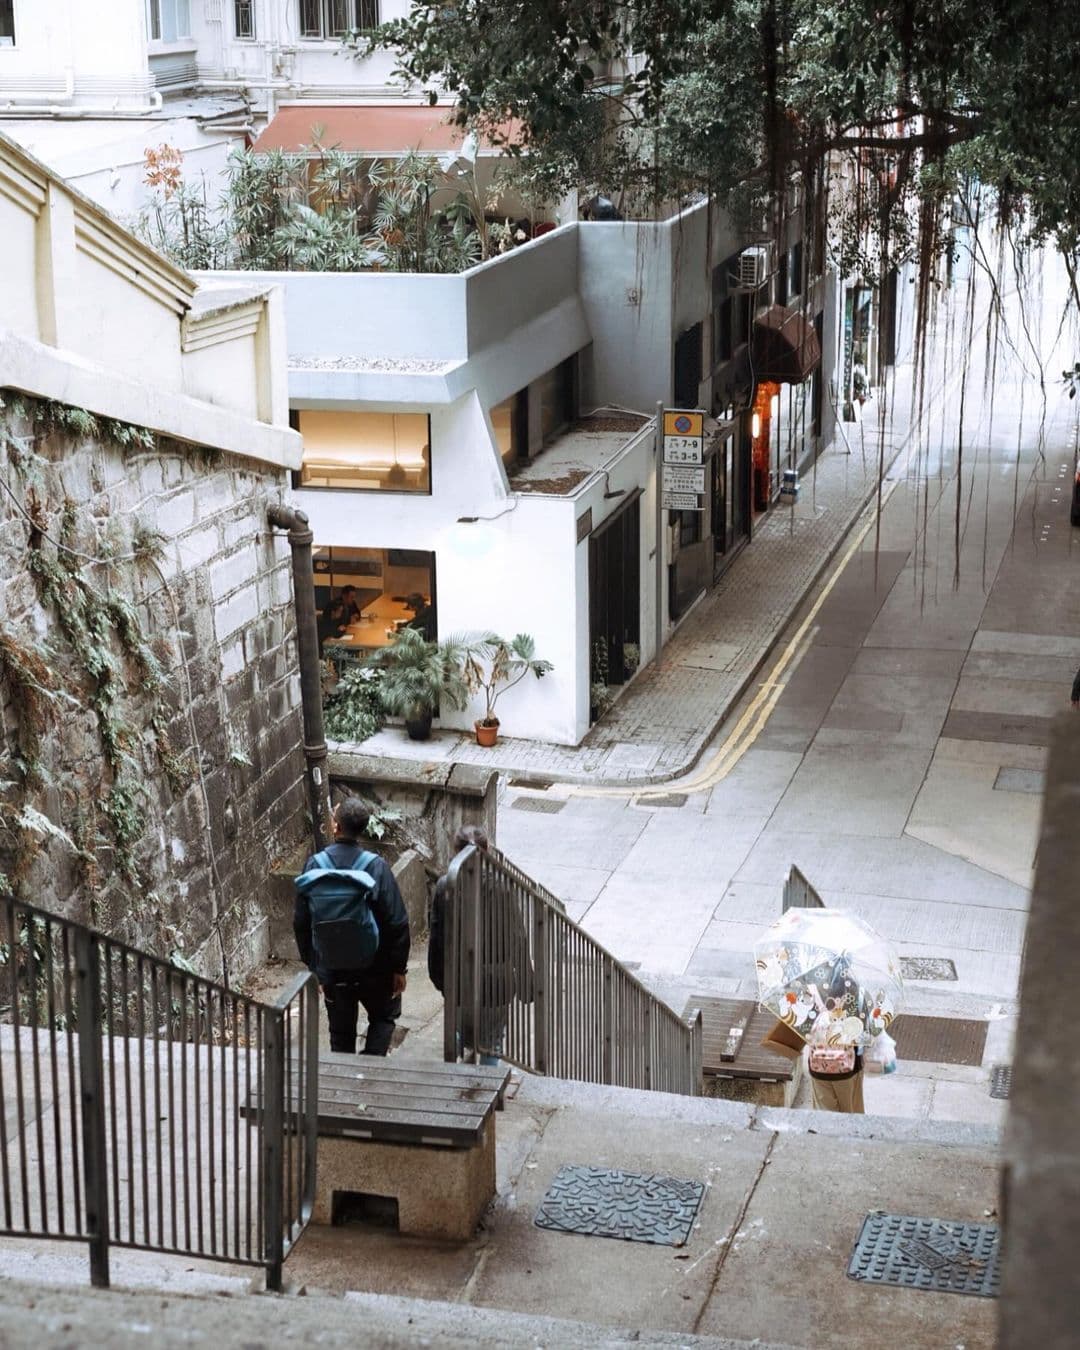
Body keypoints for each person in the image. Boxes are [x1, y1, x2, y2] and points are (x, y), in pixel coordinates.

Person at [293, 798, 410, 1055]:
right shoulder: (376, 867)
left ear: (336, 827)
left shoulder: (314, 865)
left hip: (334, 971)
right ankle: (369, 1074)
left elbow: (301, 923)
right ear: (364, 828)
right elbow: (397, 922)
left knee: (341, 1034)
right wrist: (398, 968)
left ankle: (345, 1081)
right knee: (382, 1019)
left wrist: (316, 967)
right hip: (375, 969)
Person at [428, 825, 532, 1066]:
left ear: (456, 851)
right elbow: (518, 936)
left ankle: (455, 1072)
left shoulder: (446, 886)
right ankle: (487, 1090)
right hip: (497, 981)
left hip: (459, 979)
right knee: (492, 1040)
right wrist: (526, 981)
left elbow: (437, 937)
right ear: (487, 851)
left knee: (457, 1029)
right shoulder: (504, 885)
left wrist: (440, 978)